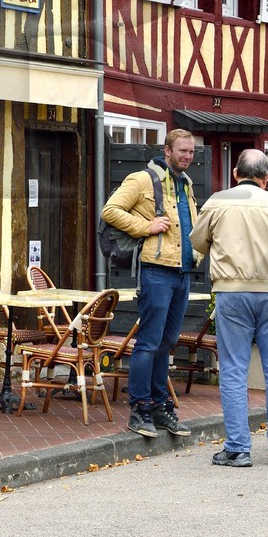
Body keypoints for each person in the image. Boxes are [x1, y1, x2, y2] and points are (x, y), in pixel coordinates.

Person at [189, 148, 268, 467]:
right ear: (266, 177)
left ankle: (238, 448)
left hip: (233, 291)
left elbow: (198, 242)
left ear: (235, 173)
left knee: (233, 369)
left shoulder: (218, 201)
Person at [101, 128, 200, 439]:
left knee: (167, 341)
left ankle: (160, 406)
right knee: (148, 341)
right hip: (156, 271)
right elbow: (110, 211)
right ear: (167, 151)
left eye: (191, 152)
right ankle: (140, 408)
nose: (187, 156)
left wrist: (197, 251)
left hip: (182, 272)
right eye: (182, 151)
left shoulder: (186, 184)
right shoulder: (142, 179)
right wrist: (146, 226)